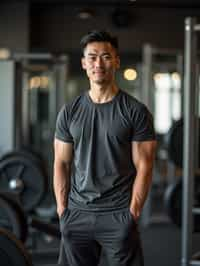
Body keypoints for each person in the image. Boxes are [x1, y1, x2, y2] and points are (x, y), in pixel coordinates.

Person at [53, 30, 157, 266]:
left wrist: (133, 213)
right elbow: (61, 162)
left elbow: (145, 165)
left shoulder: (135, 111)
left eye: (106, 56)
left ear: (117, 61)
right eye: (92, 57)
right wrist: (62, 211)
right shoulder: (70, 111)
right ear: (83, 63)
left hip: (118, 213)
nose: (98, 63)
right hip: (77, 213)